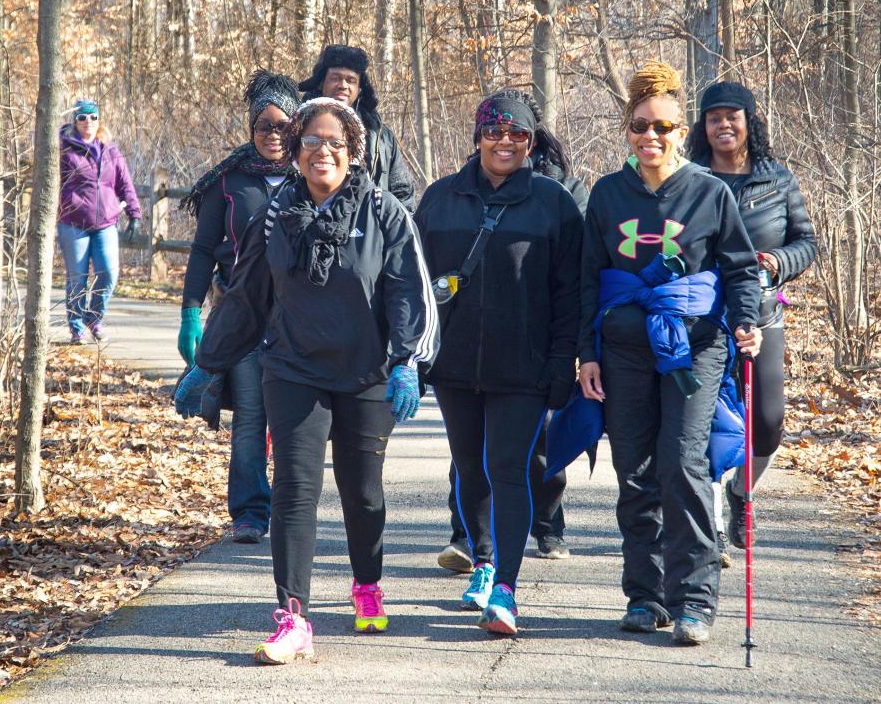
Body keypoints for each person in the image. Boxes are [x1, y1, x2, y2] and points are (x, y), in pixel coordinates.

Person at [174, 97, 437, 664]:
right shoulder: (277, 214)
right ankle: (294, 618)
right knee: (294, 489)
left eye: (335, 143)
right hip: (292, 369)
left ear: (353, 152)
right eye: (311, 142)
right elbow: (247, 294)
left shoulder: (386, 213)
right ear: (295, 151)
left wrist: (408, 360)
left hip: (366, 373)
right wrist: (210, 361)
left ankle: (366, 584)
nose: (323, 152)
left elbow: (409, 291)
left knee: (362, 493)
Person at [577, 62, 761, 646]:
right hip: (624, 350)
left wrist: (747, 323)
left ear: (683, 131)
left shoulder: (709, 192)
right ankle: (645, 594)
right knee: (634, 470)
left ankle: (695, 600)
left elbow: (738, 270)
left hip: (694, 348)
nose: (650, 137)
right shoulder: (607, 194)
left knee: (683, 465)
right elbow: (587, 278)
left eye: (663, 127)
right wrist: (587, 353)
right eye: (639, 126)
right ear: (627, 130)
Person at [415, 89, 582, 635]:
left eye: (517, 134)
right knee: (469, 467)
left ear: (532, 142)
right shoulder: (440, 200)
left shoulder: (554, 203)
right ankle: (482, 563)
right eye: (494, 130)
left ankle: (506, 589)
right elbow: (414, 288)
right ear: (477, 135)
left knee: (508, 467)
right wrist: (413, 355)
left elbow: (569, 294)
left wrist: (564, 363)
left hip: (524, 368)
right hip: (455, 364)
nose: (505, 141)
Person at [688, 81, 817, 552]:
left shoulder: (777, 178)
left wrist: (779, 261)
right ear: (702, 127)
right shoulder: (691, 178)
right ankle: (712, 525)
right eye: (713, 117)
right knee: (703, 424)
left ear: (749, 122)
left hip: (762, 317)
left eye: (732, 116)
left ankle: (741, 491)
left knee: (765, 421)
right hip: (705, 320)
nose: (723, 124)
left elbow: (807, 241)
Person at [177, 70, 301, 544]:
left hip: (297, 320)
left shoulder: (313, 174)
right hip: (243, 316)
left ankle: (293, 508)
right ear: (251, 129)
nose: (273, 135)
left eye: (282, 125)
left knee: (292, 419)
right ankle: (249, 511)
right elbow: (203, 249)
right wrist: (191, 314)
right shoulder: (226, 182)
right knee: (250, 416)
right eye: (263, 125)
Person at [57, 99, 142, 344]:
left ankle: (94, 318)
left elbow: (124, 183)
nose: (88, 122)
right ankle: (77, 328)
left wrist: (134, 214)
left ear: (99, 120)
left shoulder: (110, 150)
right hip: (73, 223)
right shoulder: (64, 149)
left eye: (93, 117)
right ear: (75, 120)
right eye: (83, 118)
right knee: (78, 278)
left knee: (108, 273)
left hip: (105, 221)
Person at [297, 44, 416, 210]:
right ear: (320, 82)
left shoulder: (380, 135)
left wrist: (391, 228)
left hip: (370, 227)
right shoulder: (298, 127)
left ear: (360, 89)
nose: (343, 85)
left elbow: (402, 191)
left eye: (351, 80)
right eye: (335, 78)